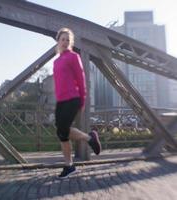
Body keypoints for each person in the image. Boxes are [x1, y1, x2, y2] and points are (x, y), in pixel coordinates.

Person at [53, 27, 101, 178]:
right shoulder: (56, 61)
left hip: (73, 98)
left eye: (68, 39)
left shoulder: (74, 57)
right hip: (60, 101)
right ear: (58, 41)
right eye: (63, 39)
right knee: (61, 133)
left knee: (63, 130)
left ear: (70, 42)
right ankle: (88, 140)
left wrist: (83, 99)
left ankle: (69, 165)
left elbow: (81, 79)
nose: (65, 42)